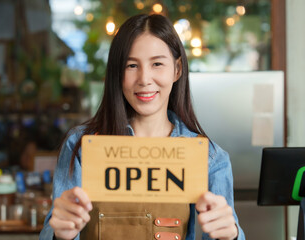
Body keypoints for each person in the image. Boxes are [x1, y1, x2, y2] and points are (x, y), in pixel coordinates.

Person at [40, 14, 245, 240]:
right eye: (131, 65)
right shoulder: (81, 146)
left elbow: (219, 232)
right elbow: (54, 230)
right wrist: (60, 233)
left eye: (157, 64)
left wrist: (231, 235)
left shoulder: (210, 158)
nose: (144, 78)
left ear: (177, 69)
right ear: (118, 74)